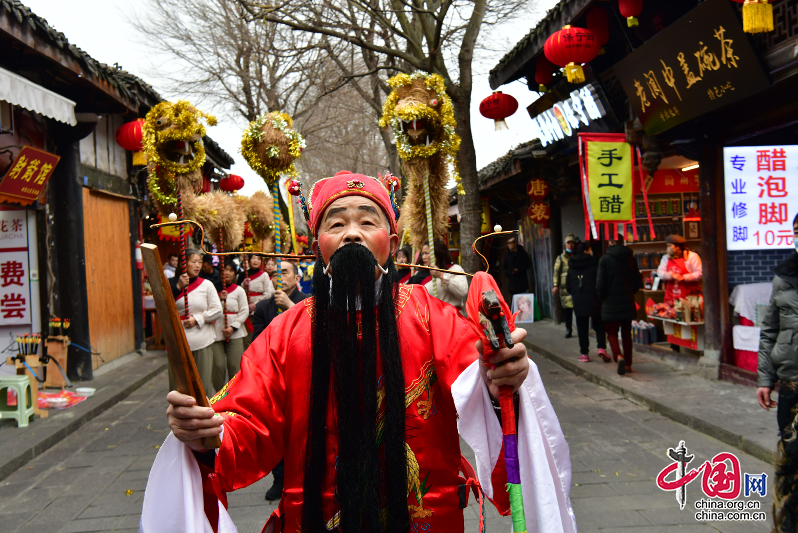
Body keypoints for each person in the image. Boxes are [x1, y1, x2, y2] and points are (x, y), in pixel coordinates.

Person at [142, 171, 575, 533]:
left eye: (368, 221)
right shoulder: (285, 332)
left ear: (391, 238)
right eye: (335, 223)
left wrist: (504, 375)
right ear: (317, 247)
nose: (352, 232)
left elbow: (481, 389)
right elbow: (247, 418)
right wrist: (210, 433)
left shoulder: (434, 319)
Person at [250, 260, 309, 501]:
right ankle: (279, 477)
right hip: (275, 376)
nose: (280, 276)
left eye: (285, 272)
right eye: (277, 272)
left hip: (302, 374)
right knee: (276, 427)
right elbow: (259, 342)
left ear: (297, 279)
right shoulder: (264, 307)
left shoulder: (308, 302)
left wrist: (291, 307)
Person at [757, 214, 798, 431]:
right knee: (789, 449)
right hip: (791, 380)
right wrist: (765, 379)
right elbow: (769, 331)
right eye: (797, 231)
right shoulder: (783, 278)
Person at [169, 249, 223, 395]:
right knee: (178, 387)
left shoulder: (207, 285)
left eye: (199, 262)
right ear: (183, 263)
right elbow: (164, 306)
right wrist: (178, 287)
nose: (198, 265)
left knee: (202, 385)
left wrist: (198, 319)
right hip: (179, 339)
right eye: (193, 262)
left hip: (202, 340)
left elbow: (217, 310)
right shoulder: (171, 283)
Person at [597, 236, 643, 375]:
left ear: (610, 243)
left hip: (610, 302)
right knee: (626, 334)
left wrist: (601, 298)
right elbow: (637, 282)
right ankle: (628, 364)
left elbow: (600, 284)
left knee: (611, 332)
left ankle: (618, 356)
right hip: (627, 301)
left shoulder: (605, 260)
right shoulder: (631, 258)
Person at [565, 242, 608, 363]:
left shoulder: (571, 266)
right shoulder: (595, 263)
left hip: (579, 301)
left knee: (582, 327)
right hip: (594, 299)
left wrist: (575, 294)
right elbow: (600, 282)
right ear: (586, 251)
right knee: (599, 325)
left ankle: (584, 353)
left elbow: (568, 286)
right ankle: (601, 348)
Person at [211, 261, 249, 394]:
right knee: (218, 366)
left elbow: (244, 310)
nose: (227, 273)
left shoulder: (239, 290)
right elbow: (208, 309)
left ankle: (234, 394)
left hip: (235, 332)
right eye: (224, 270)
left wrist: (234, 327)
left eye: (230, 270)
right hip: (216, 332)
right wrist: (219, 299)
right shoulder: (213, 289)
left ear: (234, 273)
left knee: (234, 365)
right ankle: (219, 394)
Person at [420, 241, 468, 312]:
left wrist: (441, 275)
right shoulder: (421, 275)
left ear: (438, 254)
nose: (423, 257)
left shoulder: (454, 269)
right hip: (433, 318)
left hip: (452, 317)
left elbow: (462, 292)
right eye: (422, 254)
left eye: (427, 253)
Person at [657, 235, 703, 305]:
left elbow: (700, 273)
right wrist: (671, 275)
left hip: (689, 296)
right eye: (667, 246)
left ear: (678, 247)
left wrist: (684, 277)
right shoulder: (665, 258)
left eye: (670, 246)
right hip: (671, 296)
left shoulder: (692, 256)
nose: (668, 248)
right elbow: (660, 272)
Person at [553, 234, 577, 338]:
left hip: (576, 285)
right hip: (565, 287)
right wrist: (555, 285)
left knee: (578, 309)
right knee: (567, 310)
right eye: (568, 243)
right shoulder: (560, 258)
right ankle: (569, 329)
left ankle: (579, 329)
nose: (570, 245)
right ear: (565, 245)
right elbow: (556, 271)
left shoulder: (576, 256)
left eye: (572, 243)